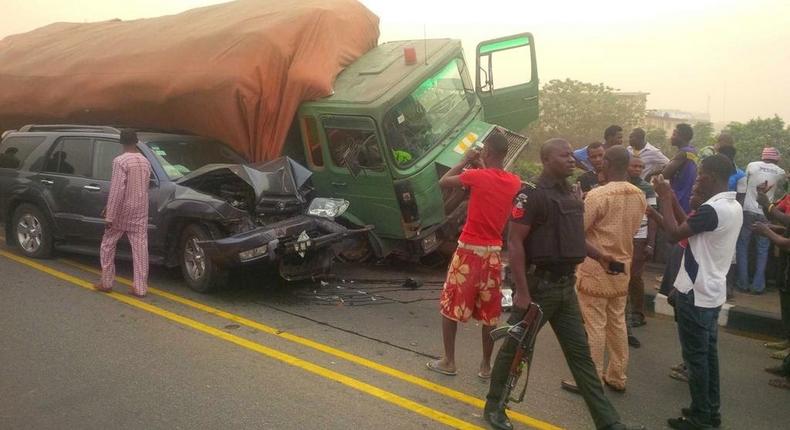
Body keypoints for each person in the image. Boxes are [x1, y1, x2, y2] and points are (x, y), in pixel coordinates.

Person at [484, 138, 644, 430]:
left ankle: (609, 423)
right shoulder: (530, 195)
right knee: (514, 350)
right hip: (539, 289)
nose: (572, 159)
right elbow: (515, 242)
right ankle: (494, 407)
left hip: (565, 288)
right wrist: (521, 290)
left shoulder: (571, 195)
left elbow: (574, 238)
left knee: (581, 357)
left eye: (572, 154)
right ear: (546, 160)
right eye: (564, 155)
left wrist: (602, 256)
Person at [653, 154, 742, 430]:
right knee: (708, 357)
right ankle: (708, 411)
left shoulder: (712, 209)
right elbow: (688, 228)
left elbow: (673, 235)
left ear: (710, 177)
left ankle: (700, 418)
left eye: (701, 173)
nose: (697, 178)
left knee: (696, 360)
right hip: (710, 292)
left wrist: (666, 198)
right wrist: (669, 206)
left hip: (696, 292)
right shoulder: (729, 206)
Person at [427, 132, 521, 378]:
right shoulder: (514, 182)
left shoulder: (475, 177)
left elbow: (444, 181)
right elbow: (491, 178)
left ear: (486, 152)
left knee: (451, 306)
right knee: (490, 313)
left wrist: (465, 160)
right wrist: (480, 165)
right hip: (492, 255)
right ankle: (486, 366)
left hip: (468, 252)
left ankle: (449, 361)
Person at [574, 147, 646, 392]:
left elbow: (578, 229)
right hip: (623, 265)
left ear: (606, 162)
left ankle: (590, 380)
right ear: (627, 165)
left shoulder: (598, 195)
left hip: (596, 266)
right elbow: (635, 230)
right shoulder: (639, 194)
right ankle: (617, 376)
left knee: (594, 324)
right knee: (617, 322)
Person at [93, 130, 152, 298]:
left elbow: (117, 190)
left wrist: (110, 215)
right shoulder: (145, 161)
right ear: (136, 141)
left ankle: (106, 281)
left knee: (108, 244)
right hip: (141, 210)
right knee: (140, 248)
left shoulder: (120, 161)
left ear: (121, 142)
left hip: (122, 211)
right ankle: (140, 287)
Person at [736, 147, 786, 295]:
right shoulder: (780, 171)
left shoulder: (752, 165)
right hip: (765, 212)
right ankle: (758, 286)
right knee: (762, 250)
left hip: (748, 211)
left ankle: (743, 283)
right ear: (776, 159)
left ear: (763, 157)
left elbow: (745, 182)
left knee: (743, 246)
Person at [752, 188, 790, 360]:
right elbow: (776, 216)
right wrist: (765, 204)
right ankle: (787, 340)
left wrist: (767, 205)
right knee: (785, 291)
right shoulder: (787, 196)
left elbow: (784, 218)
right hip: (785, 253)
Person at [627, 157, 658, 329]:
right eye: (634, 166)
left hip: (640, 236)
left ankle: (638, 313)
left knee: (635, 276)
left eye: (640, 167)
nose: (638, 169)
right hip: (622, 236)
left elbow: (652, 215)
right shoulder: (618, 184)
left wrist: (651, 243)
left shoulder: (647, 188)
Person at [662, 123, 698, 213]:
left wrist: (650, 173)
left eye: (674, 134)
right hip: (687, 196)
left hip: (679, 197)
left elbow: (665, 174)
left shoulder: (683, 153)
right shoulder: (692, 151)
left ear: (682, 137)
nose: (671, 137)